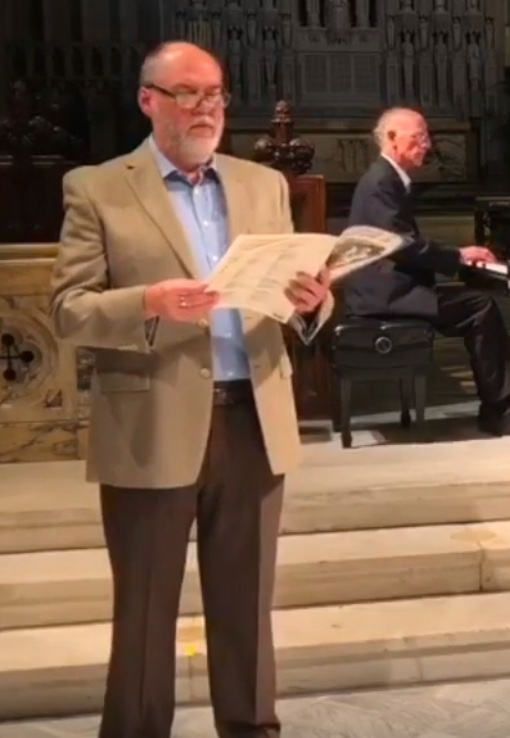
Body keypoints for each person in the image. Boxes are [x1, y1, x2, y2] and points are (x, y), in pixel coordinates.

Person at [48, 41, 332, 738]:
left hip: (252, 418)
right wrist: (148, 302)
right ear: (148, 100)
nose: (206, 108)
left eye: (215, 94)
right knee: (145, 612)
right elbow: (68, 311)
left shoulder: (262, 185)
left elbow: (295, 298)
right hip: (152, 424)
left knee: (246, 605)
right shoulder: (98, 187)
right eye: (188, 94)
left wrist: (313, 302)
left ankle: (251, 729)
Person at [343, 107, 510, 435]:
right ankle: (500, 411)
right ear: (392, 138)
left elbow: (404, 242)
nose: (427, 145)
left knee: (474, 303)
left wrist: (458, 260)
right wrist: (458, 256)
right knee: (479, 307)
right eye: (418, 137)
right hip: (385, 294)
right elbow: (402, 245)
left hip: (390, 288)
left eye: (427, 137)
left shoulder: (387, 179)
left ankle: (499, 406)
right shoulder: (381, 182)